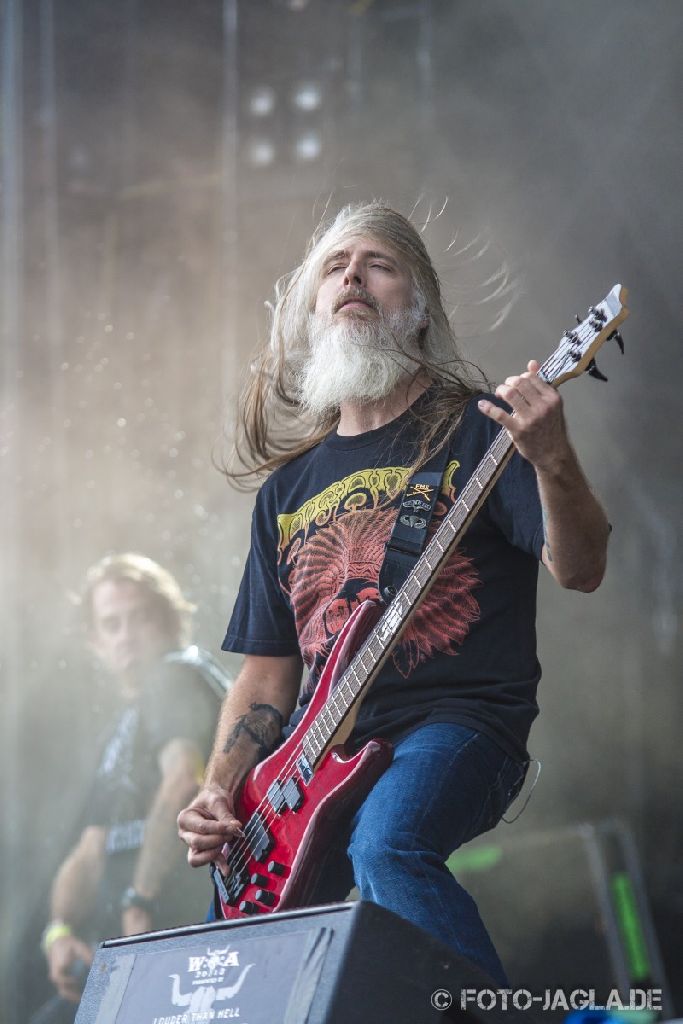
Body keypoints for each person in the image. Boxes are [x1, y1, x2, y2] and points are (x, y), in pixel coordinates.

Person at [177, 202, 610, 984]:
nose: (352, 277)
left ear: (419, 309)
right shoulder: (286, 492)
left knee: (387, 845)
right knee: (231, 957)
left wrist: (552, 460)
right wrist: (218, 789)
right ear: (311, 310)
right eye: (334, 267)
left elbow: (579, 569)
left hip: (455, 723)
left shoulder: (479, 432)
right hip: (311, 762)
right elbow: (266, 672)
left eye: (378, 264)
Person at [33, 553, 230, 1024]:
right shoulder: (123, 728)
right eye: (112, 624)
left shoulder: (176, 675)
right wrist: (58, 932)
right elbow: (89, 848)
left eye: (140, 617)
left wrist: (140, 901)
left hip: (178, 937)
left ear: (169, 620)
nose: (126, 635)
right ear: (95, 641)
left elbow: (183, 780)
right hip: (126, 948)